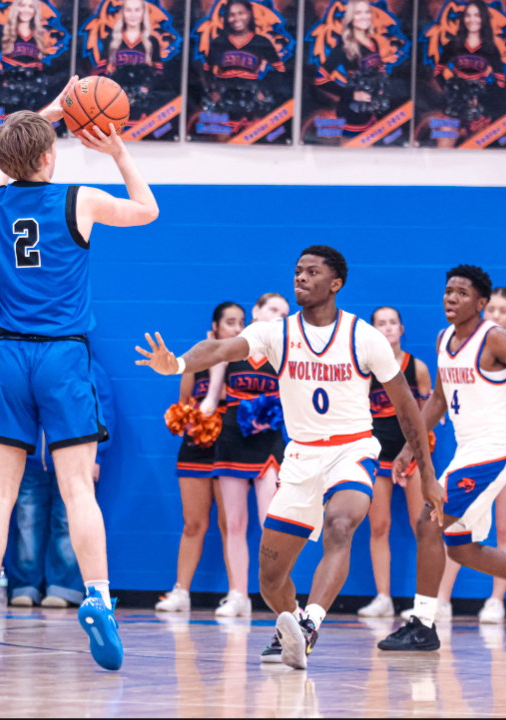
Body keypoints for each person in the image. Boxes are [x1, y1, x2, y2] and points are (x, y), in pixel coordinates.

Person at [136, 245, 439, 670]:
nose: (300, 278)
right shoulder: (277, 332)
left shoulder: (363, 336)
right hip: (300, 458)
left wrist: (426, 473)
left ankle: (311, 624)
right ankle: (292, 624)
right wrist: (178, 363)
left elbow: (408, 410)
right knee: (270, 577)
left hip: (352, 450)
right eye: (297, 271)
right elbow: (222, 348)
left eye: (312, 272)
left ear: (335, 284)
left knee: (340, 524)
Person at [0, 77, 159, 671]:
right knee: (78, 490)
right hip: (63, 356)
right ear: (52, 156)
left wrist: (45, 114)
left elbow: (5, 157)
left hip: (7, 356)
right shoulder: (80, 199)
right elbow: (149, 209)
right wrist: (116, 149)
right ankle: (97, 597)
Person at [378, 265, 506, 652]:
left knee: (428, 522)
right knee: (460, 547)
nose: (451, 299)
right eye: (448, 292)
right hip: (468, 449)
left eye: (461, 293)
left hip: (498, 447)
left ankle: (423, 623)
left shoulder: (496, 340)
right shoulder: (442, 339)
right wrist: (408, 447)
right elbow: (438, 399)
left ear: (481, 303)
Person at [429, 287, 506, 625]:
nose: (496, 315)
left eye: (503, 310)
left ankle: (496, 600)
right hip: (474, 441)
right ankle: (441, 599)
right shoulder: (465, 345)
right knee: (454, 521)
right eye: (491, 309)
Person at [156, 303, 243, 614]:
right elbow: (183, 403)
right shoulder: (197, 362)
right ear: (215, 328)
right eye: (230, 322)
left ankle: (237, 593)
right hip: (196, 447)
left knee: (229, 523)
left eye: (241, 322)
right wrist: (190, 419)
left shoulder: (243, 363)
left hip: (230, 447)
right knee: (193, 523)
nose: (236, 328)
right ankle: (181, 591)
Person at [11, 356, 116, 608]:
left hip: (74, 460)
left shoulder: (89, 366)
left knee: (67, 522)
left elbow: (104, 411)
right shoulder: (27, 364)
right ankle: (25, 585)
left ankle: (63, 587)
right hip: (30, 459)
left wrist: (97, 455)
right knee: (26, 523)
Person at [208, 293, 290, 618]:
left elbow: (292, 400)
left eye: (283, 313)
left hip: (269, 440)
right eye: (271, 309)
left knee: (271, 522)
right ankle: (238, 594)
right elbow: (213, 394)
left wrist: (269, 417)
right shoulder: (232, 346)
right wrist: (197, 414)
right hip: (232, 437)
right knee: (234, 522)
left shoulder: (284, 352)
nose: (276, 316)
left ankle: (276, 595)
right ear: (256, 311)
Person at [357, 306, 431, 618]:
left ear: (402, 329)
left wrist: (414, 450)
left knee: (423, 526)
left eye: (392, 323)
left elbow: (428, 414)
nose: (387, 328)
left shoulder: (418, 368)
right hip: (376, 452)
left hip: (411, 452)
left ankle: (428, 601)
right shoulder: (364, 369)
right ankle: (383, 597)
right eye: (380, 324)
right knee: (379, 525)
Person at [433, 0, 505, 148]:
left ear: (483, 18)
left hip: (478, 112)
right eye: (468, 15)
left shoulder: (490, 48)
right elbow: (438, 71)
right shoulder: (453, 45)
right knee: (442, 151)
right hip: (453, 108)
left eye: (477, 15)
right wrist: (449, 91)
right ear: (463, 19)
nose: (472, 19)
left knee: (474, 156)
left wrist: (484, 96)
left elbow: (500, 81)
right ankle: (458, 134)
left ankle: (464, 134)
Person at [202, 0, 286, 123]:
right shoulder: (219, 42)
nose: (236, 18)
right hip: (224, 99)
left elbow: (280, 70)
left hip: (251, 99)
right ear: (226, 17)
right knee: (222, 136)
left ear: (250, 14)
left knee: (250, 132)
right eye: (231, 14)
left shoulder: (261, 42)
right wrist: (213, 90)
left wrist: (264, 89)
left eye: (241, 13)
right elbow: (206, 70)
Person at [315, 0, 388, 136]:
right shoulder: (345, 46)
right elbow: (320, 79)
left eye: (367, 12)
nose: (364, 16)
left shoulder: (374, 42)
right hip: (352, 114)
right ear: (350, 18)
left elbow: (378, 71)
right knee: (351, 155)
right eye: (358, 13)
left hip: (371, 112)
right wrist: (352, 95)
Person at [95, 0, 164, 122]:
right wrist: (109, 88)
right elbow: (99, 72)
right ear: (122, 13)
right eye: (129, 10)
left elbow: (159, 73)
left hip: (143, 104)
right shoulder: (112, 40)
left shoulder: (151, 41)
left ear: (143, 13)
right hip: (116, 101)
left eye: (137, 10)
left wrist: (147, 86)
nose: (133, 14)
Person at [0, 0, 50, 115]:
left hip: (33, 92)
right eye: (22, 5)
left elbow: (43, 66)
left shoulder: (40, 34)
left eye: (30, 7)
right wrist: (0, 80)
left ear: (35, 10)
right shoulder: (4, 31)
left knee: (30, 126)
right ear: (16, 8)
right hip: (11, 92)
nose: (26, 10)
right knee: (11, 125)